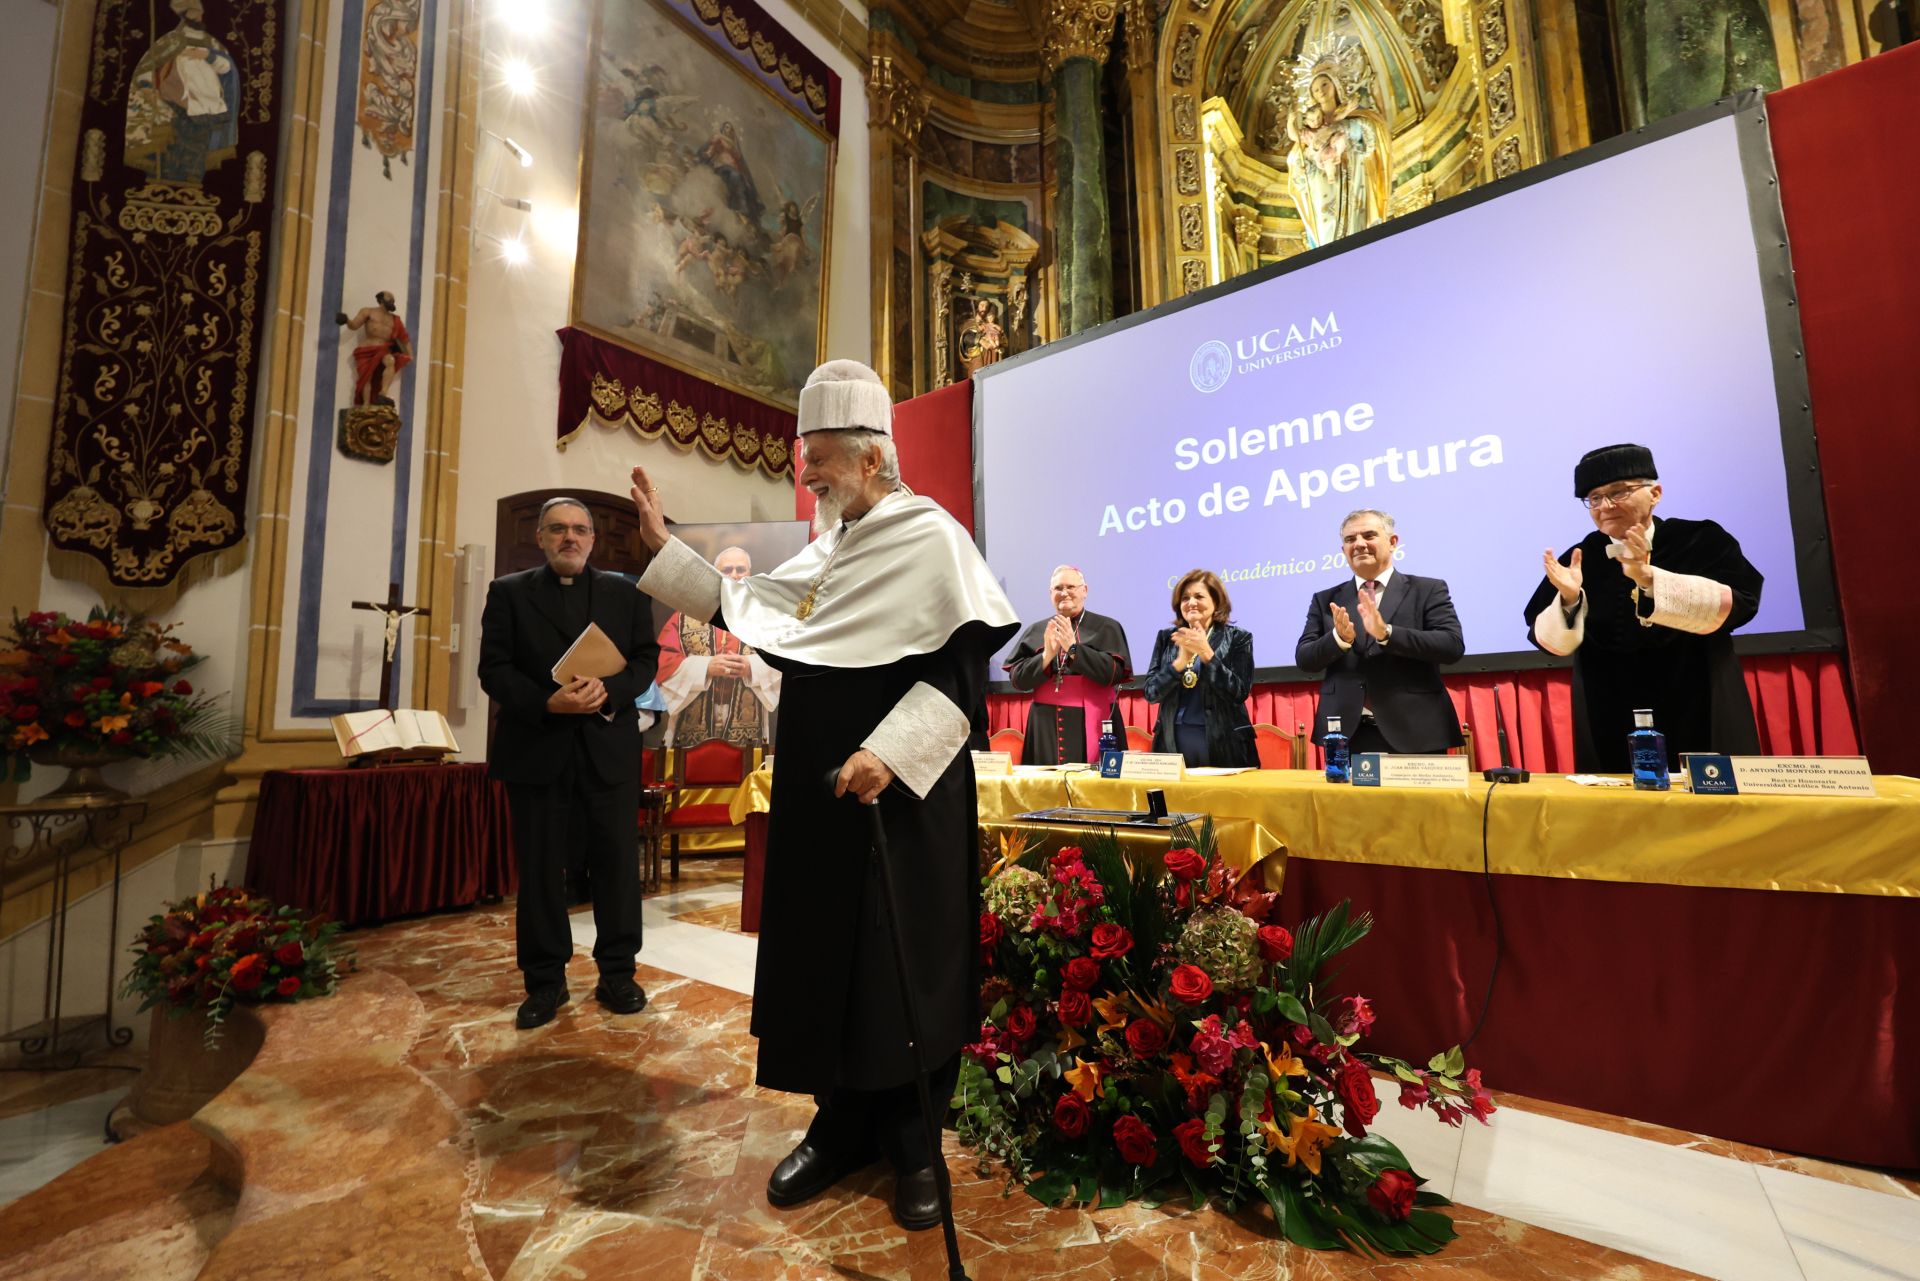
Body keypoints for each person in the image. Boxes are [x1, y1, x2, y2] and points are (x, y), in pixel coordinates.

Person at [627, 359, 1018, 1231]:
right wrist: (664, 551)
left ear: (871, 458)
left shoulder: (934, 538)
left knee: (900, 963)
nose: (807, 478)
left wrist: (888, 750)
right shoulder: (825, 551)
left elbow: (960, 676)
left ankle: (914, 1138)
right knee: (822, 956)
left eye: (820, 463)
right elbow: (748, 603)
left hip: (904, 798)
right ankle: (840, 1123)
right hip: (817, 787)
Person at [478, 498, 661, 1029]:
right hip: (537, 749)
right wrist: (545, 702)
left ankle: (618, 973)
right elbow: (493, 670)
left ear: (592, 540)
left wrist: (611, 690)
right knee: (539, 872)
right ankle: (545, 982)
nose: (570, 538)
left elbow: (645, 661)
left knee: (616, 865)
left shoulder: (624, 594)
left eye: (580, 530)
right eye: (558, 529)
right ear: (539, 537)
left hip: (608, 752)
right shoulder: (507, 593)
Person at [1525, 444, 1763, 772]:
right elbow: (1547, 641)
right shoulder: (1581, 557)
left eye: (1618, 492)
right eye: (1594, 498)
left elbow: (1743, 603)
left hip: (1697, 699)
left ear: (1656, 493)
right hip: (1607, 712)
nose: (1605, 506)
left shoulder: (1700, 539)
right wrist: (1568, 599)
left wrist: (1648, 578)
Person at [1295, 509, 1465, 755]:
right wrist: (1339, 640)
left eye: (1369, 535)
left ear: (1393, 542)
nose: (1359, 544)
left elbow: (1451, 646)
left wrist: (1387, 633)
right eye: (1350, 539)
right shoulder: (1325, 599)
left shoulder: (1428, 589)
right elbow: (1305, 658)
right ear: (1343, 550)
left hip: (1416, 730)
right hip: (1347, 734)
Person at [1002, 565, 1131, 763]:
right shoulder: (1037, 630)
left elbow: (1111, 674)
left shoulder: (1107, 627)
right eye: (1058, 588)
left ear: (1084, 590)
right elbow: (1018, 680)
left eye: (1071, 586)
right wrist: (1046, 656)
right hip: (1045, 727)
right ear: (1050, 593)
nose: (1064, 593)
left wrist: (1073, 649)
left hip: (1095, 719)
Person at [656, 545, 780, 748]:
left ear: (750, 573)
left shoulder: (767, 617)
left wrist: (752, 667)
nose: (734, 575)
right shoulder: (684, 616)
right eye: (726, 570)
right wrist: (705, 667)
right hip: (691, 720)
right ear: (714, 575)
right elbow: (662, 662)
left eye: (740, 570)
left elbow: (786, 661)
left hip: (749, 721)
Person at [1142, 569, 1257, 767]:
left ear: (1216, 601)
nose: (1191, 602)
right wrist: (1178, 664)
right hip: (1173, 741)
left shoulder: (1238, 637)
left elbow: (1239, 692)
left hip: (1224, 742)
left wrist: (1207, 654)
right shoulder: (1167, 638)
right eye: (1185, 598)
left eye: (1199, 596)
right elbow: (1151, 693)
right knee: (1175, 799)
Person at [336, 291, 412, 407]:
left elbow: (405, 340)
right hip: (366, 350)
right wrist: (346, 320)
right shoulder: (368, 312)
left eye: (393, 299)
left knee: (390, 361)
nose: (392, 300)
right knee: (367, 376)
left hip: (384, 349)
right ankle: (366, 404)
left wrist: (410, 355)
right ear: (381, 299)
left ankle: (383, 394)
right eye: (389, 298)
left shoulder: (395, 320)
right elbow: (354, 325)